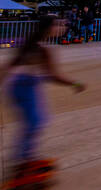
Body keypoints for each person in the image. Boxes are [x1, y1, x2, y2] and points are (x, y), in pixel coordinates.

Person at [0, 16, 86, 183]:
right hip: (25, 86)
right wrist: (75, 83)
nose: (63, 27)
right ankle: (22, 164)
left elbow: (9, 66)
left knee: (34, 122)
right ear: (49, 28)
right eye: (59, 24)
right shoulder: (43, 49)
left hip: (16, 85)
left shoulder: (30, 43)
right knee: (35, 122)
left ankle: (24, 160)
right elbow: (53, 75)